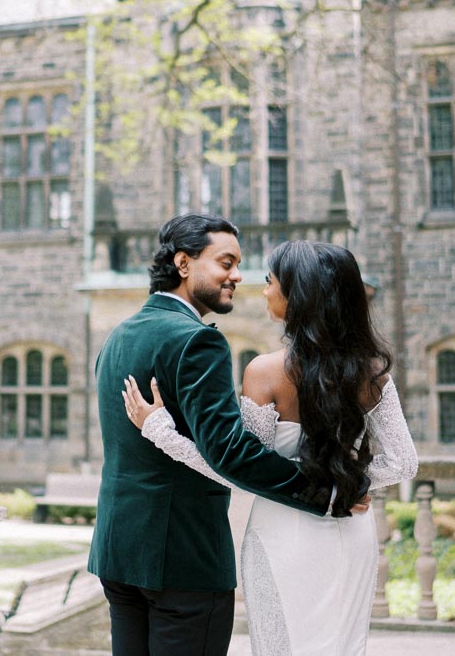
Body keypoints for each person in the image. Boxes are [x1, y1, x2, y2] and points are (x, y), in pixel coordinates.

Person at [122, 238, 418, 656]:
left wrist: (161, 431)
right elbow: (404, 463)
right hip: (352, 533)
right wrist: (347, 484)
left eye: (269, 281)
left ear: (298, 295)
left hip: (281, 534)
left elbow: (238, 467)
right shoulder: (370, 372)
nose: (262, 291)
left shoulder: (264, 372)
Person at [88, 214, 349, 656]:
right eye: (225, 262)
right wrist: (324, 493)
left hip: (118, 552)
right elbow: (229, 451)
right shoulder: (197, 342)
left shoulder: (117, 336)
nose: (237, 276)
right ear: (184, 264)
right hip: (183, 562)